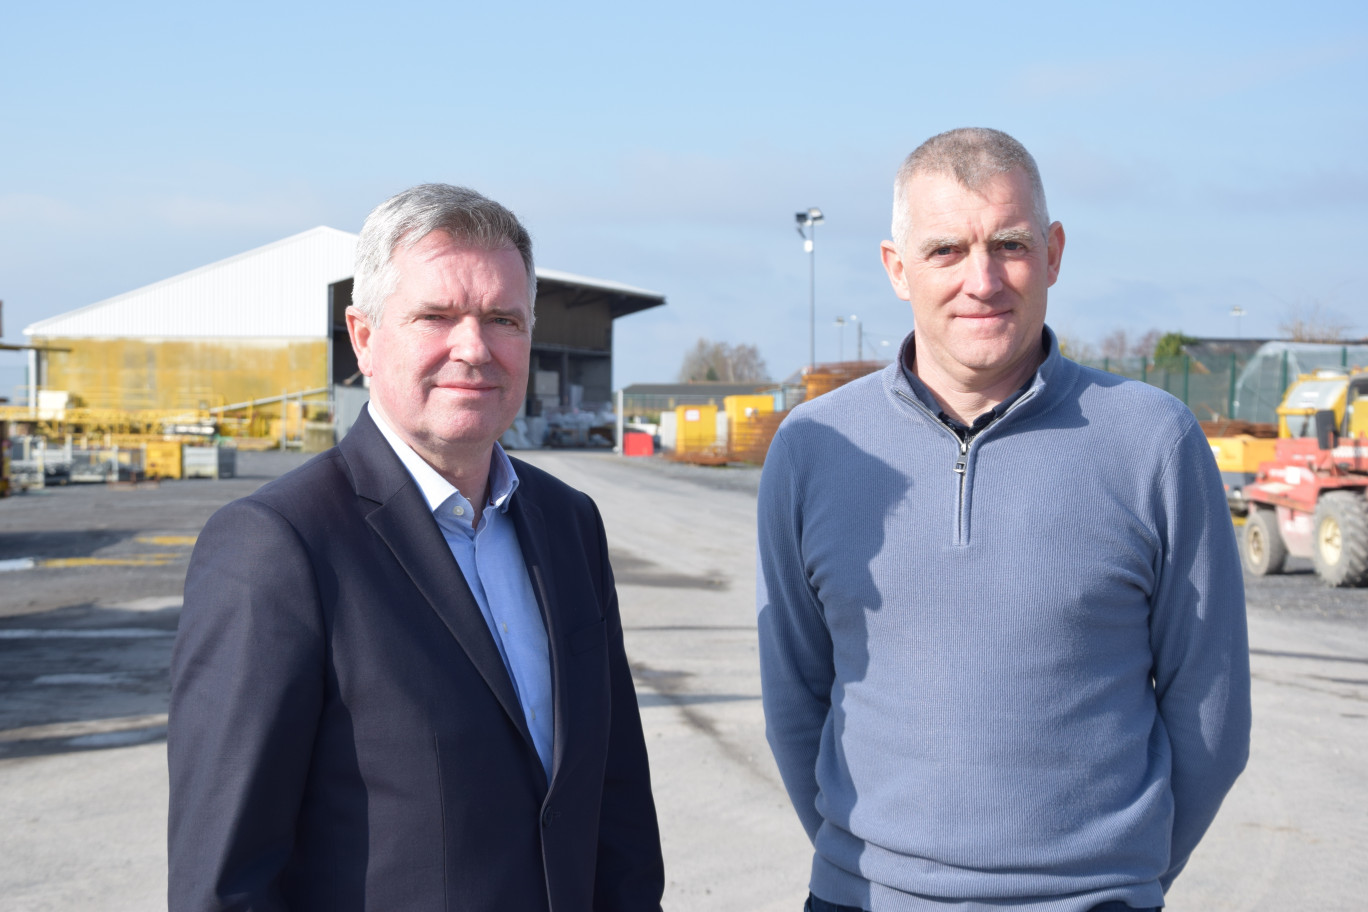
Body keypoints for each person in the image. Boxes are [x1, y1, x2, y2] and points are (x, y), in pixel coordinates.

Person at [757, 128, 1251, 912]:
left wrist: (1121, 879)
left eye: (1010, 245)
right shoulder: (814, 449)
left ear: (1053, 253)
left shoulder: (1154, 441)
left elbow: (1211, 711)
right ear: (897, 269)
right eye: (947, 250)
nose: (981, 280)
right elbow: (795, 695)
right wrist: (866, 867)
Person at [168, 183, 664, 911]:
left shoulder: (568, 524)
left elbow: (613, 793)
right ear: (364, 337)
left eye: (504, 319)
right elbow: (225, 877)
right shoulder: (280, 546)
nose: (475, 347)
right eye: (436, 316)